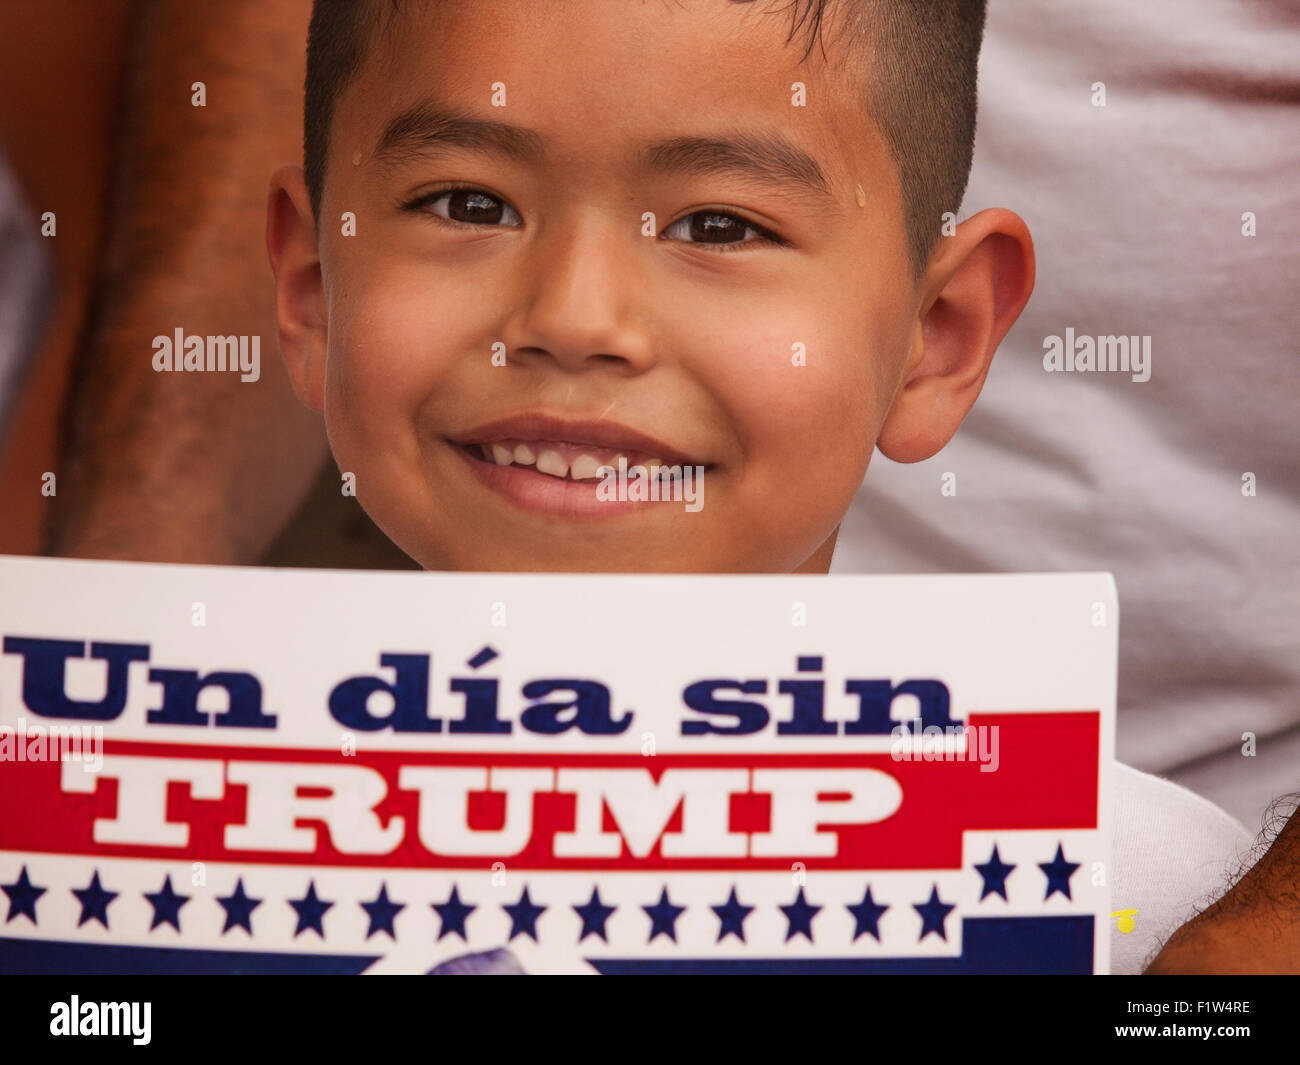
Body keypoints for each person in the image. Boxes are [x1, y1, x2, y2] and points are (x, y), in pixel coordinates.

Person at [264, 0, 1253, 973]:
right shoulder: (144, 838)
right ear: (313, 286)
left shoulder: (1146, 912)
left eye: (719, 226)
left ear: (935, 339)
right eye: (469, 205)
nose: (572, 317)